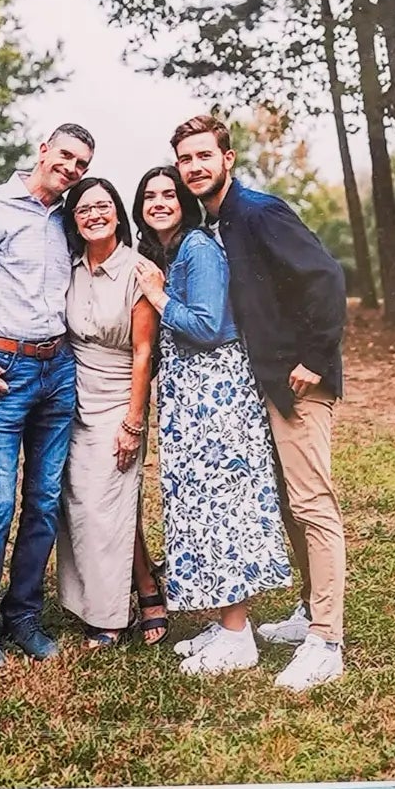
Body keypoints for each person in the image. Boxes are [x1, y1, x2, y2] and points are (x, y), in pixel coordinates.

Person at [171, 109, 350, 694]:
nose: (194, 167)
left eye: (204, 156)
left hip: (299, 382)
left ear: (227, 159)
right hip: (264, 384)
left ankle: (326, 641)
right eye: (185, 159)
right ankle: (309, 609)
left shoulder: (259, 211)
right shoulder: (221, 223)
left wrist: (314, 359)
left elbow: (326, 278)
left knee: (312, 504)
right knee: (289, 504)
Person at [0, 121, 95, 669]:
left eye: (81, 164)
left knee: (44, 500)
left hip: (57, 370)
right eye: (66, 156)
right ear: (43, 149)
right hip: (0, 369)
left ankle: (24, 614)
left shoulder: (69, 217)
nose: (71, 169)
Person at [143, 153, 295, 675]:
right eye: (149, 196)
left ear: (184, 202)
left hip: (217, 396)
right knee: (201, 508)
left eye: (168, 194)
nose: (159, 203)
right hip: (191, 398)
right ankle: (227, 622)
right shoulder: (174, 250)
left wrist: (158, 296)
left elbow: (208, 327)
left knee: (222, 508)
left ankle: (237, 637)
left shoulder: (198, 247)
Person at [53, 176, 157, 644]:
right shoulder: (69, 268)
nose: (94, 215)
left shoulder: (138, 270)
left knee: (105, 507)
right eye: (83, 209)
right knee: (81, 505)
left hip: (118, 397)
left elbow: (143, 353)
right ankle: (137, 588)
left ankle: (111, 617)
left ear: (117, 213)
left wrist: (133, 422)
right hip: (73, 398)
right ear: (74, 220)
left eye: (103, 206)